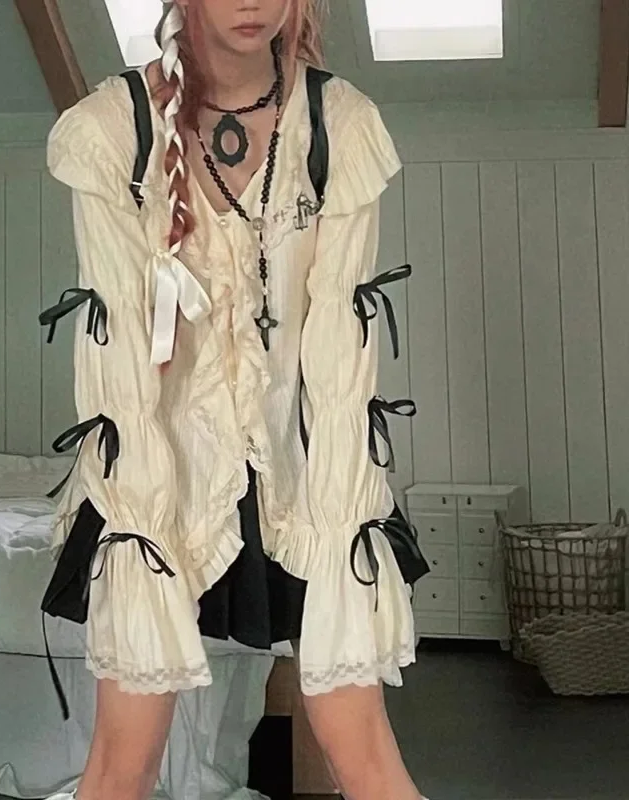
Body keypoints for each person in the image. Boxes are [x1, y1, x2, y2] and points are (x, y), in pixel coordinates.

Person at [44, 1, 430, 798]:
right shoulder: (114, 131)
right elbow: (120, 357)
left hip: (304, 471)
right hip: (161, 473)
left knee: (365, 752)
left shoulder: (340, 126)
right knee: (122, 762)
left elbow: (341, 350)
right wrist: (146, 525)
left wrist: (338, 514)